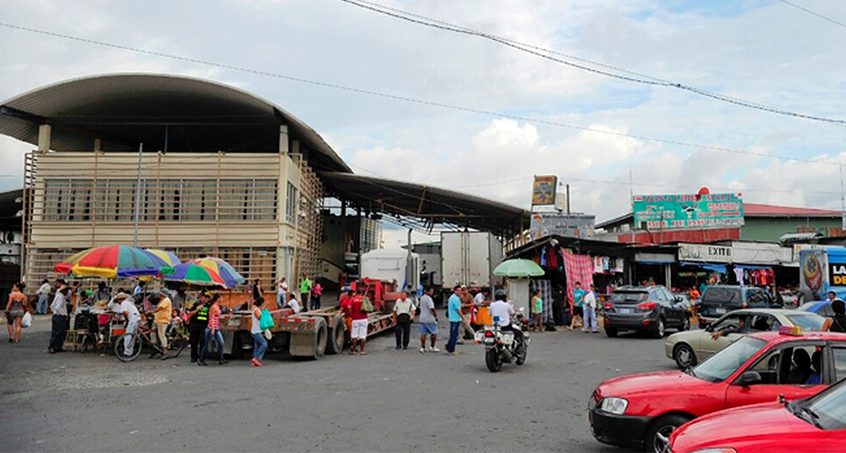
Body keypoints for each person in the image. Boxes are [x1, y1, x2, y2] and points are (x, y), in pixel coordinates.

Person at [200, 295, 227, 366]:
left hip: (216, 327)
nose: (222, 299)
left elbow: (216, 317)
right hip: (211, 328)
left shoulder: (217, 306)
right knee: (206, 344)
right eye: (221, 297)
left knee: (221, 343)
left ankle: (221, 359)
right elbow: (212, 318)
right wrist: (212, 329)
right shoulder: (213, 307)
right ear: (218, 299)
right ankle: (201, 359)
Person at [114, 293, 141, 358]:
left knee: (128, 336)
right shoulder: (128, 303)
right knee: (133, 336)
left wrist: (125, 320)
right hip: (137, 318)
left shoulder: (123, 303)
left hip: (133, 319)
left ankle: (127, 352)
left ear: (120, 300)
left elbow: (126, 313)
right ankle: (130, 351)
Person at [186, 291, 210, 363]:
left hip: (203, 326)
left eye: (207, 298)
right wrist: (197, 310)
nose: (206, 299)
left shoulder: (208, 306)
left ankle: (201, 356)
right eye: (204, 297)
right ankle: (194, 357)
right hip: (194, 325)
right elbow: (189, 314)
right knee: (194, 341)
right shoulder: (195, 304)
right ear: (201, 297)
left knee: (202, 341)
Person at [48, 286, 72, 353]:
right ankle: (53, 346)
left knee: (58, 332)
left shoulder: (58, 296)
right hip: (60, 316)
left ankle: (57, 346)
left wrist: (54, 312)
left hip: (56, 316)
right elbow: (58, 307)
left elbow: (52, 306)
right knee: (58, 332)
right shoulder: (61, 297)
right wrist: (63, 314)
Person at [149, 292, 172, 359]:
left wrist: (152, 311)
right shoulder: (160, 301)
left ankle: (165, 351)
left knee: (161, 335)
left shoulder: (166, 300)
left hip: (163, 320)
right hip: (157, 320)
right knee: (152, 333)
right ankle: (155, 347)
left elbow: (159, 308)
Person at [418, 287, 439, 353]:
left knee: (423, 334)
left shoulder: (422, 298)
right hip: (430, 318)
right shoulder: (429, 299)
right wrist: (435, 315)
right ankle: (432, 347)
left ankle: (423, 347)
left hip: (422, 318)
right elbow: (432, 308)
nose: (432, 293)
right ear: (427, 291)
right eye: (431, 291)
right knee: (434, 333)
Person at [348, 288, 368, 355]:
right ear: (362, 292)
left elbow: (349, 308)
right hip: (364, 319)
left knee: (354, 336)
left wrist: (352, 316)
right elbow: (369, 308)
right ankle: (362, 351)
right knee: (363, 336)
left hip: (355, 319)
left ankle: (354, 351)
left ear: (356, 292)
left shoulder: (352, 299)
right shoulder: (364, 299)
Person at [250, 296, 268, 367]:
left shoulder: (258, 309)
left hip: (257, 331)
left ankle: (255, 361)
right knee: (264, 344)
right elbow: (260, 318)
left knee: (257, 346)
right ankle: (256, 358)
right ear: (262, 303)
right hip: (256, 332)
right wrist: (265, 313)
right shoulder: (256, 310)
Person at [446, 285, 463, 354]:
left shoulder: (452, 297)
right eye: (458, 290)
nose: (459, 292)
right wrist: (463, 317)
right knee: (454, 335)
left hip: (453, 318)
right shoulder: (455, 298)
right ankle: (451, 349)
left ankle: (448, 346)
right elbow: (458, 309)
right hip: (455, 319)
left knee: (453, 334)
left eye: (460, 290)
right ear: (455, 291)